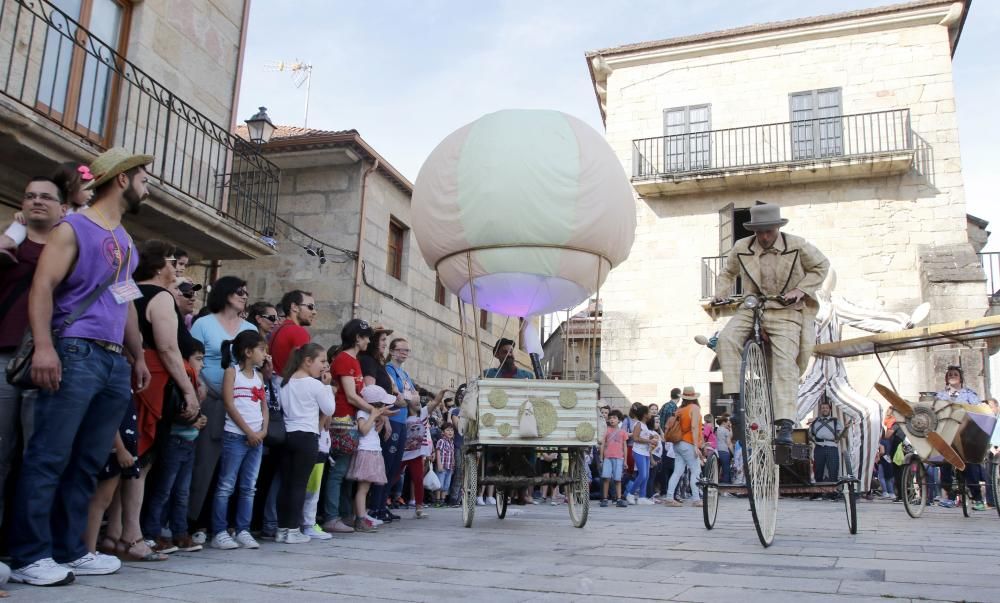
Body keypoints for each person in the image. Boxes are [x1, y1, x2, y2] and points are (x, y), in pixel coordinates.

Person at [9, 148, 153, 586]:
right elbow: (43, 287)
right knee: (48, 456)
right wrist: (46, 348)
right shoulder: (72, 226)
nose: (150, 186)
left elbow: (125, 299)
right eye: (145, 177)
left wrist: (139, 354)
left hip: (112, 360)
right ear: (123, 180)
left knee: (87, 461)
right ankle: (28, 555)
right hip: (74, 350)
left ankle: (71, 549)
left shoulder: (126, 240)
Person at [714, 203, 830, 445]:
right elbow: (727, 273)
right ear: (754, 230)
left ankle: (785, 424)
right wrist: (720, 293)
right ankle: (736, 401)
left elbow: (821, 266)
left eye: (769, 231)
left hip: (786, 309)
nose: (765, 236)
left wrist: (801, 289)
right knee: (726, 339)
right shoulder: (742, 247)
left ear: (777, 228)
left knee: (784, 363)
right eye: (760, 232)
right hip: (753, 304)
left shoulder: (797, 245)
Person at [127, 240, 200, 554]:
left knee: (129, 461)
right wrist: (188, 391)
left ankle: (120, 532)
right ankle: (132, 534)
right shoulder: (159, 297)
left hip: (129, 375)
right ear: (159, 266)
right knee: (139, 463)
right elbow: (168, 348)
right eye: (173, 261)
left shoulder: (128, 292)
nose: (178, 268)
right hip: (152, 383)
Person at [0, 177, 66, 529]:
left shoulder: (68, 250)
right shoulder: (12, 244)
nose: (36, 201)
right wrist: (11, 233)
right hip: (6, 354)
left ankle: (25, 542)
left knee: (38, 456)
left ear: (62, 208)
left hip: (52, 358)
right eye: (29, 196)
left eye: (45, 197)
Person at [187, 276, 257, 544]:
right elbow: (193, 359)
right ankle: (197, 522)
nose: (244, 296)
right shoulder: (204, 324)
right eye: (239, 291)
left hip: (241, 405)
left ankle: (226, 525)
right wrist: (200, 388)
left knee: (234, 468)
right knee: (206, 463)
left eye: (246, 292)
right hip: (210, 400)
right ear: (225, 292)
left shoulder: (249, 326)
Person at [141, 341, 208, 554]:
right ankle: (152, 533)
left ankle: (180, 532)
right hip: (175, 440)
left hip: (189, 442)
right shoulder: (179, 380)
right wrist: (192, 420)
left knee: (182, 492)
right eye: (198, 359)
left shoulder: (195, 381)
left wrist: (199, 418)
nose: (202, 364)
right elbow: (172, 410)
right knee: (163, 490)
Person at [211, 331, 269, 550]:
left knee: (249, 486)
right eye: (261, 350)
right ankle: (219, 530)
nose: (265, 355)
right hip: (236, 436)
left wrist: (262, 431)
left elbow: (263, 405)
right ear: (247, 351)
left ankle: (243, 529)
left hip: (256, 438)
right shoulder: (231, 372)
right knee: (226, 485)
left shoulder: (259, 376)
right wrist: (248, 432)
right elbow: (229, 404)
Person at [321, 319, 378, 534]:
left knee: (345, 473)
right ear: (357, 338)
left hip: (351, 419)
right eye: (366, 337)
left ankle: (345, 514)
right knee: (339, 471)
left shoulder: (354, 360)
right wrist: (373, 410)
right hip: (342, 419)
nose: (369, 341)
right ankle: (331, 516)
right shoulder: (345, 360)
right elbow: (351, 396)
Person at [277, 343, 334, 544]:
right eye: (322, 361)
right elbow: (329, 408)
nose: (325, 366)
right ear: (308, 361)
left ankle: (282, 528)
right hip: (307, 436)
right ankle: (293, 530)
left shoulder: (285, 382)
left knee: (286, 484)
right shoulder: (315, 385)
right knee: (299, 485)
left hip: (288, 435)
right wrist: (327, 386)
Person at [0, 162, 92, 264]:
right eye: (88, 188)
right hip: (41, 239)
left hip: (59, 249)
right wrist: (24, 214)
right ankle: (8, 243)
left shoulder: (85, 212)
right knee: (22, 222)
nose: (92, 193)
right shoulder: (53, 200)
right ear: (69, 186)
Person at [361, 325, 406, 523]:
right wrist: (384, 416)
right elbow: (371, 392)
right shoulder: (371, 362)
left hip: (392, 417)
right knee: (384, 466)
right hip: (382, 418)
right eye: (382, 341)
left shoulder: (378, 364)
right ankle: (374, 507)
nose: (385, 344)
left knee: (392, 467)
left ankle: (381, 506)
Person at [935, 366, 986, 511]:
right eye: (950, 374)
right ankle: (949, 496)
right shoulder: (940, 395)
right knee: (945, 461)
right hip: (947, 433)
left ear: (961, 378)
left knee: (970, 464)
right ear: (946, 378)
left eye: (955, 374)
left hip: (966, 434)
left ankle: (977, 499)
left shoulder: (969, 394)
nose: (952, 376)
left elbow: (979, 410)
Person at [349, 385, 393, 532]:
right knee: (362, 489)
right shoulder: (363, 412)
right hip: (365, 452)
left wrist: (380, 417)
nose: (384, 406)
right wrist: (374, 415)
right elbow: (363, 429)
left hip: (373, 451)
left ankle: (360, 516)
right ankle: (360, 519)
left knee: (365, 489)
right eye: (382, 404)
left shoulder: (372, 414)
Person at [401, 388, 446, 517]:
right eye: (415, 401)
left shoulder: (423, 413)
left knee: (418, 479)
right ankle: (381, 501)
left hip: (416, 453)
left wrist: (441, 392)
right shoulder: (402, 416)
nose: (418, 403)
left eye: (419, 402)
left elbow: (436, 401)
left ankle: (419, 507)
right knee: (394, 477)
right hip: (403, 453)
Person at [385, 337, 418, 508]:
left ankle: (384, 504)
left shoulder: (405, 374)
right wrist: (407, 399)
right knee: (388, 463)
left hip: (402, 421)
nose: (404, 353)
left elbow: (415, 398)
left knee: (396, 466)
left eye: (407, 350)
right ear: (391, 351)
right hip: (392, 419)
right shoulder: (388, 370)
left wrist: (407, 399)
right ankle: (379, 504)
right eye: (400, 350)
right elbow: (397, 398)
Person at [665, 387, 704, 507]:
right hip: (688, 443)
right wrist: (697, 446)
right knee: (696, 470)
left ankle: (669, 498)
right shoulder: (695, 408)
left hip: (677, 443)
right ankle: (696, 499)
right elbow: (694, 427)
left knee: (677, 471)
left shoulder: (680, 410)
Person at [269, 290, 315, 375]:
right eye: (310, 307)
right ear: (294, 307)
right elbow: (304, 370)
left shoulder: (279, 329)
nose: (314, 312)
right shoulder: (298, 331)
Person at [625, 404, 657, 505]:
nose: (650, 414)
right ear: (644, 415)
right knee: (642, 475)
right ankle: (630, 494)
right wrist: (649, 441)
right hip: (638, 451)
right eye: (649, 412)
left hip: (645, 452)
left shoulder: (644, 425)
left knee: (646, 475)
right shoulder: (638, 424)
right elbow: (635, 438)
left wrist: (650, 438)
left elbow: (642, 437)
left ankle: (642, 497)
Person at [808, 401, 845, 485]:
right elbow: (809, 435)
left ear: (830, 410)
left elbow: (843, 435)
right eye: (823, 408)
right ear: (820, 410)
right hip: (819, 448)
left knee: (833, 469)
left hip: (832, 447)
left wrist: (846, 428)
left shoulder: (836, 421)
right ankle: (819, 493)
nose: (824, 409)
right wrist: (814, 441)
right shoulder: (815, 422)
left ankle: (833, 494)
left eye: (826, 408)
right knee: (818, 470)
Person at [600, 410, 628, 507]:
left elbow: (625, 446)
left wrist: (625, 461)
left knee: (618, 479)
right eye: (610, 418)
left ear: (619, 420)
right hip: (607, 457)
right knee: (606, 478)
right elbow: (603, 444)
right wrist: (601, 457)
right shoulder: (606, 430)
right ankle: (604, 498)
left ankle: (619, 498)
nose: (612, 420)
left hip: (619, 458)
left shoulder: (623, 432)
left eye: (614, 418)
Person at [435, 424, 457, 507]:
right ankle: (437, 500)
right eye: (447, 430)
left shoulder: (451, 443)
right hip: (442, 466)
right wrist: (439, 464)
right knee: (439, 484)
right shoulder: (441, 441)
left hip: (449, 467)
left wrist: (453, 463)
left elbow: (452, 454)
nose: (450, 432)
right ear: (443, 432)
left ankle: (443, 500)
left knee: (446, 485)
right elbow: (438, 452)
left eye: (451, 430)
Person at [716, 416, 734, 484]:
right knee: (726, 470)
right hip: (724, 451)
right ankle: (726, 487)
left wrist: (729, 428)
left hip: (717, 451)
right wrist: (733, 453)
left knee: (717, 470)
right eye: (728, 422)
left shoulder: (717, 430)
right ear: (724, 422)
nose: (729, 423)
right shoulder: (725, 430)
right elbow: (729, 443)